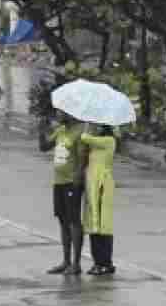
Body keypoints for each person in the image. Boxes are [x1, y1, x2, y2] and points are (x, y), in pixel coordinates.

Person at [39, 111, 87, 275]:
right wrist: (41, 131)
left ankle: (76, 263)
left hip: (71, 182)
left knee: (74, 220)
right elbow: (44, 147)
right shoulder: (61, 130)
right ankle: (65, 261)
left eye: (60, 112)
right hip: (58, 181)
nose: (58, 114)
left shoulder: (80, 131)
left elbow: (82, 159)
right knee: (62, 220)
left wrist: (78, 178)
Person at [81, 124, 118, 275]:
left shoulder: (109, 141)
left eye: (97, 126)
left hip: (102, 185)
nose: (94, 128)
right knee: (93, 225)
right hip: (92, 185)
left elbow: (84, 137)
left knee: (103, 226)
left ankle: (105, 262)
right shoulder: (96, 143)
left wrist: (86, 128)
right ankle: (98, 262)